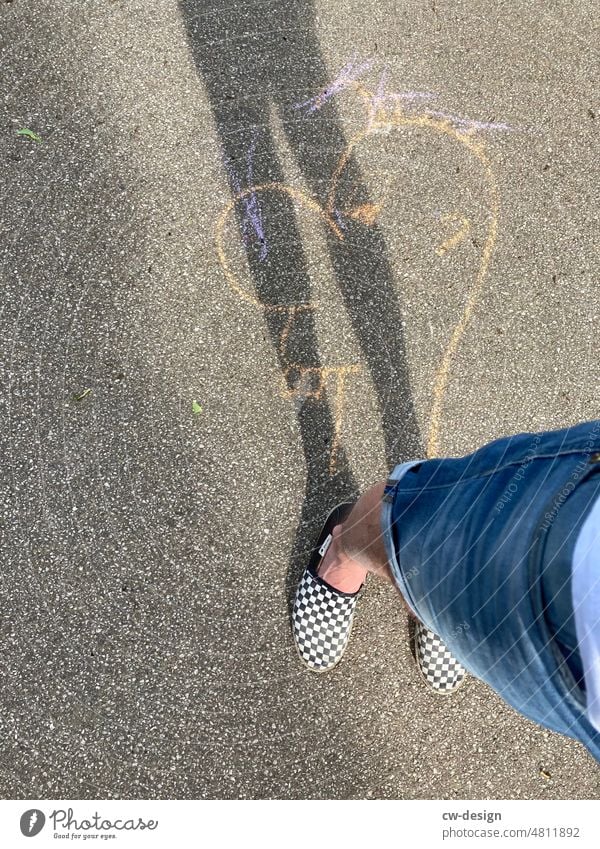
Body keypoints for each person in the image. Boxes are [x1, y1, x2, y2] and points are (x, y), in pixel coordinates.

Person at [292, 420, 600, 763]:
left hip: (580, 703)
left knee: (465, 605)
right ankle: (342, 549)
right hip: (581, 555)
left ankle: (442, 613)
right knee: (424, 525)